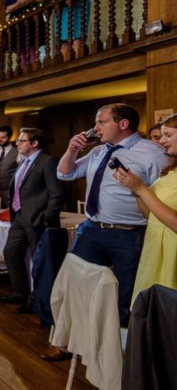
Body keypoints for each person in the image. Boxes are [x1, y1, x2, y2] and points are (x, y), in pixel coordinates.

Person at [57, 103, 170, 330]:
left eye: (101, 122)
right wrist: (72, 150)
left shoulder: (153, 154)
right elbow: (64, 173)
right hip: (91, 229)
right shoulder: (98, 151)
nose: (95, 128)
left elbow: (165, 194)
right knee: (77, 284)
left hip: (130, 233)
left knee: (124, 294)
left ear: (123, 124)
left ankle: (116, 353)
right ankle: (71, 342)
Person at [114, 114, 177, 305]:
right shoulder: (170, 170)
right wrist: (135, 190)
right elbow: (151, 215)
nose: (162, 141)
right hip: (155, 248)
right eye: (160, 136)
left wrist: (141, 188)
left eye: (167, 135)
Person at [0, 128, 64, 307]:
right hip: (19, 217)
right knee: (10, 252)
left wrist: (46, 217)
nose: (17, 143)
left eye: (21, 140)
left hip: (38, 219)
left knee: (40, 260)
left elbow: (56, 193)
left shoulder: (48, 161)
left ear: (34, 143)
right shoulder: (24, 162)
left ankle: (39, 300)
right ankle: (20, 292)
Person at [5, 0, 45, 65]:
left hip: (33, 18)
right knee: (21, 48)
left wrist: (28, 1)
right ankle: (24, 68)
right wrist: (18, 3)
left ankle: (35, 66)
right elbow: (6, 9)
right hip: (17, 21)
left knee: (33, 45)